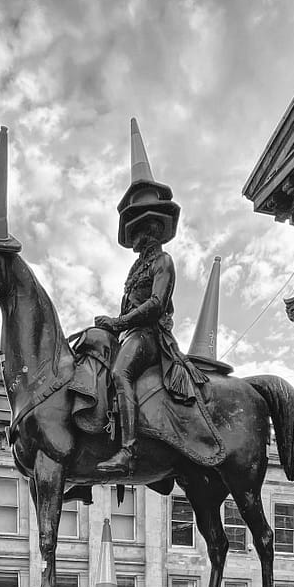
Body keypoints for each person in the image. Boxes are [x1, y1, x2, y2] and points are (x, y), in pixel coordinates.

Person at [95, 118, 205, 476]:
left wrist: (120, 322)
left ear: (153, 229)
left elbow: (155, 305)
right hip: (129, 333)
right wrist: (109, 329)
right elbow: (127, 306)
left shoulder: (163, 262)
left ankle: (128, 450)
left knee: (120, 373)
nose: (138, 236)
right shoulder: (135, 269)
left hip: (150, 336)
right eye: (135, 230)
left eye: (142, 229)